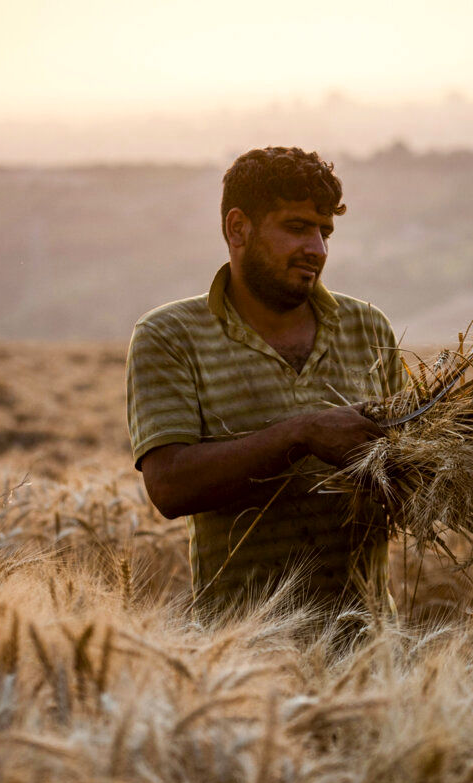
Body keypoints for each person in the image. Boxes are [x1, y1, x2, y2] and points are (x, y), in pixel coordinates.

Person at [125, 146, 402, 619]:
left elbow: (405, 475)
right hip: (242, 654)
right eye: (297, 227)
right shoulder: (170, 336)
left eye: (325, 231)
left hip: (371, 653)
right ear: (238, 228)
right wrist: (302, 434)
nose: (317, 248)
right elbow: (169, 488)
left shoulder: (369, 327)